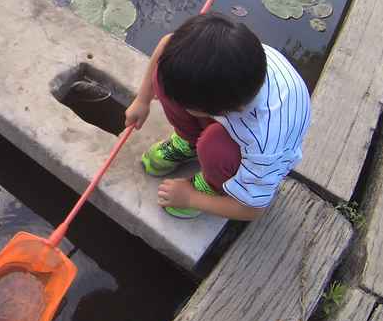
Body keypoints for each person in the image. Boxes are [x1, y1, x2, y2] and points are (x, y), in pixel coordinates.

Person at [124, 13, 311, 220]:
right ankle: (190, 141)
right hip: (232, 107)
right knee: (165, 76)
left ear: (225, 111)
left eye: (190, 106)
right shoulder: (230, 59)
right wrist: (142, 99)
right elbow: (166, 44)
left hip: (247, 146)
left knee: (214, 146)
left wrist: (190, 198)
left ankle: (213, 185)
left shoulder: (265, 143)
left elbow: (252, 210)